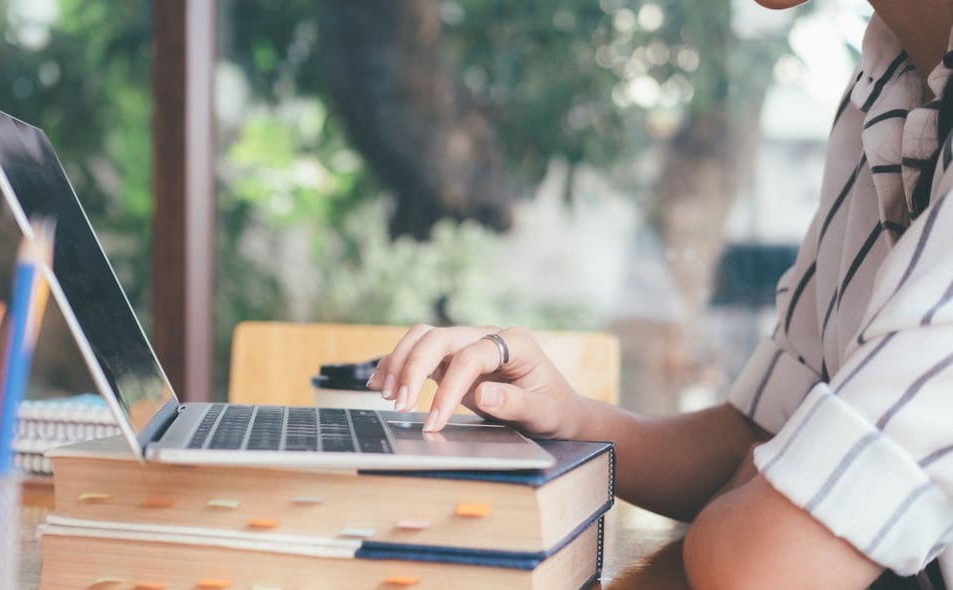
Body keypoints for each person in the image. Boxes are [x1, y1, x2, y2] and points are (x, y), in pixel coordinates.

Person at [368, 0, 953, 587]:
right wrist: (570, 419)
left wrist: (771, 486)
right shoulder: (887, 86)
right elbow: (761, 435)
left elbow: (763, 568)